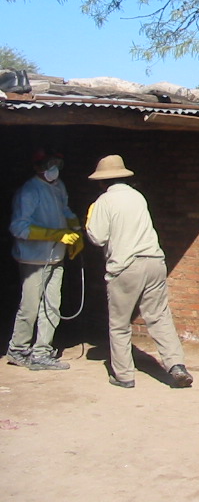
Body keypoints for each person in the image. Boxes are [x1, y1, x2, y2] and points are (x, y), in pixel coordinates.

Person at [85, 154, 193, 389]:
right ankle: (176, 365)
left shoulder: (104, 201)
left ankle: (124, 375)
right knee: (159, 316)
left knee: (119, 324)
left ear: (102, 182)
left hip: (126, 265)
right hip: (154, 261)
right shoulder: (137, 196)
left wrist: (90, 218)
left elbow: (97, 236)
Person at [6, 150, 83, 371]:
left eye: (58, 163)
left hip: (55, 256)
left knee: (52, 305)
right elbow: (19, 227)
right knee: (30, 306)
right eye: (50, 164)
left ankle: (42, 351)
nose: (54, 168)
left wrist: (76, 233)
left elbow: (65, 210)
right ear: (37, 166)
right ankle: (18, 348)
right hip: (32, 258)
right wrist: (55, 234)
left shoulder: (58, 186)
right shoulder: (29, 191)